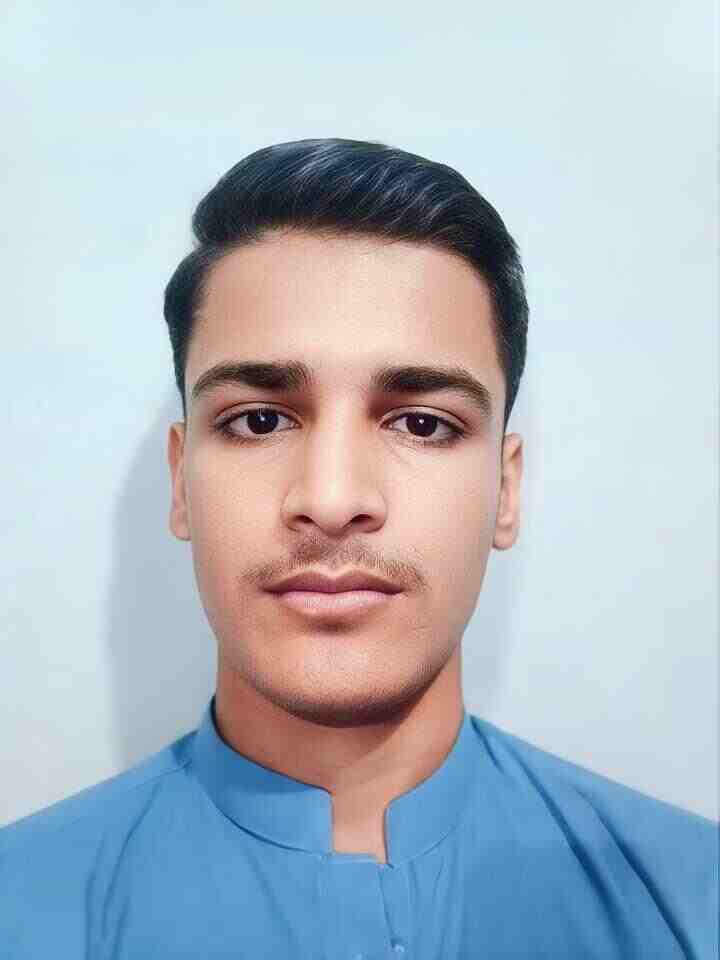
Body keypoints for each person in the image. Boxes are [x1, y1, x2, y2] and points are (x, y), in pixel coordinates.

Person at [1, 138, 716, 958]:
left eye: (423, 424)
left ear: (505, 489)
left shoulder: (695, 906)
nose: (332, 500)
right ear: (181, 482)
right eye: (259, 420)